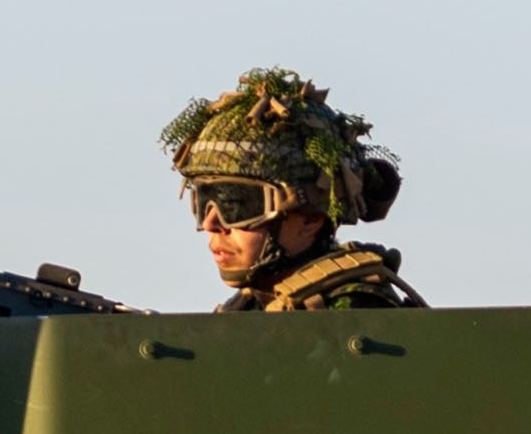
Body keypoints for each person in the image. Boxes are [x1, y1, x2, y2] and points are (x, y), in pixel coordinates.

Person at [159, 66, 421, 309]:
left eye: (236, 204)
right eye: (204, 201)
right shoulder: (252, 308)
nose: (211, 223)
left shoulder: (355, 313)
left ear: (310, 218)